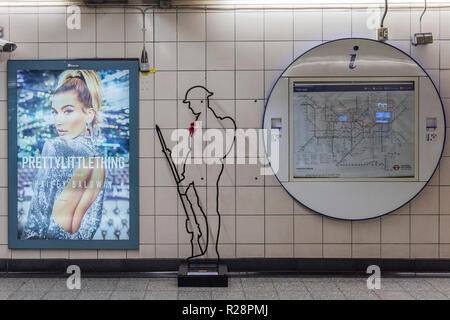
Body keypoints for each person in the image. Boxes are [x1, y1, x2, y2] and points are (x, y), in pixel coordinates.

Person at [22, 70, 107, 240]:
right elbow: (92, 224)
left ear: (89, 114)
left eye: (67, 111)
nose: (58, 120)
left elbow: (37, 219)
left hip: (47, 248)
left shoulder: (55, 147)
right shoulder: (99, 157)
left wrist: (27, 252)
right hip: (83, 250)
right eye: (55, 112)